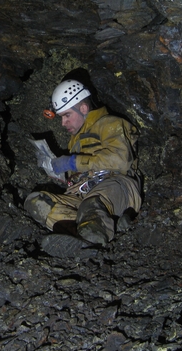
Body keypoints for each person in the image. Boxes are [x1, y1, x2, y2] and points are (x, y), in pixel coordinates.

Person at [24, 79, 141, 255]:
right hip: (82, 193)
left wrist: (72, 162)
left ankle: (93, 238)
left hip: (115, 186)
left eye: (67, 115)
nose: (63, 123)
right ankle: (85, 233)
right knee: (36, 201)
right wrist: (64, 177)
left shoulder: (110, 123)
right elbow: (84, 170)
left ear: (83, 109)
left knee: (92, 204)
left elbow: (120, 162)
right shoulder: (76, 141)